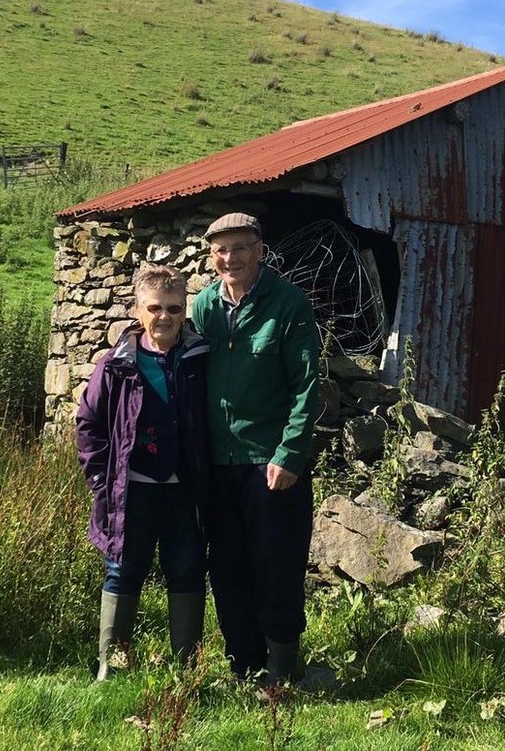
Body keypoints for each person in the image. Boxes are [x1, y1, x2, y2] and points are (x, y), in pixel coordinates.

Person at [189, 212, 320, 687]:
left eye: (241, 247)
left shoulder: (288, 304)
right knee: (226, 565)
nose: (231, 258)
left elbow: (307, 386)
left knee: (276, 561)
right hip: (218, 464)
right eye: (221, 250)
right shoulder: (202, 307)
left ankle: (283, 664)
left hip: (270, 461)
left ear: (260, 250)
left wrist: (290, 453)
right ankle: (243, 662)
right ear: (211, 256)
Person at [76, 264, 210, 680]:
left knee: (187, 568)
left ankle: (185, 669)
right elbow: (88, 423)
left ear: (184, 310)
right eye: (155, 308)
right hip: (130, 490)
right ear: (139, 310)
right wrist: (101, 479)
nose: (164, 317)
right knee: (123, 569)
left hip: (184, 489)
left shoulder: (201, 359)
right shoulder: (117, 365)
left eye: (173, 308)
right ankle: (111, 667)